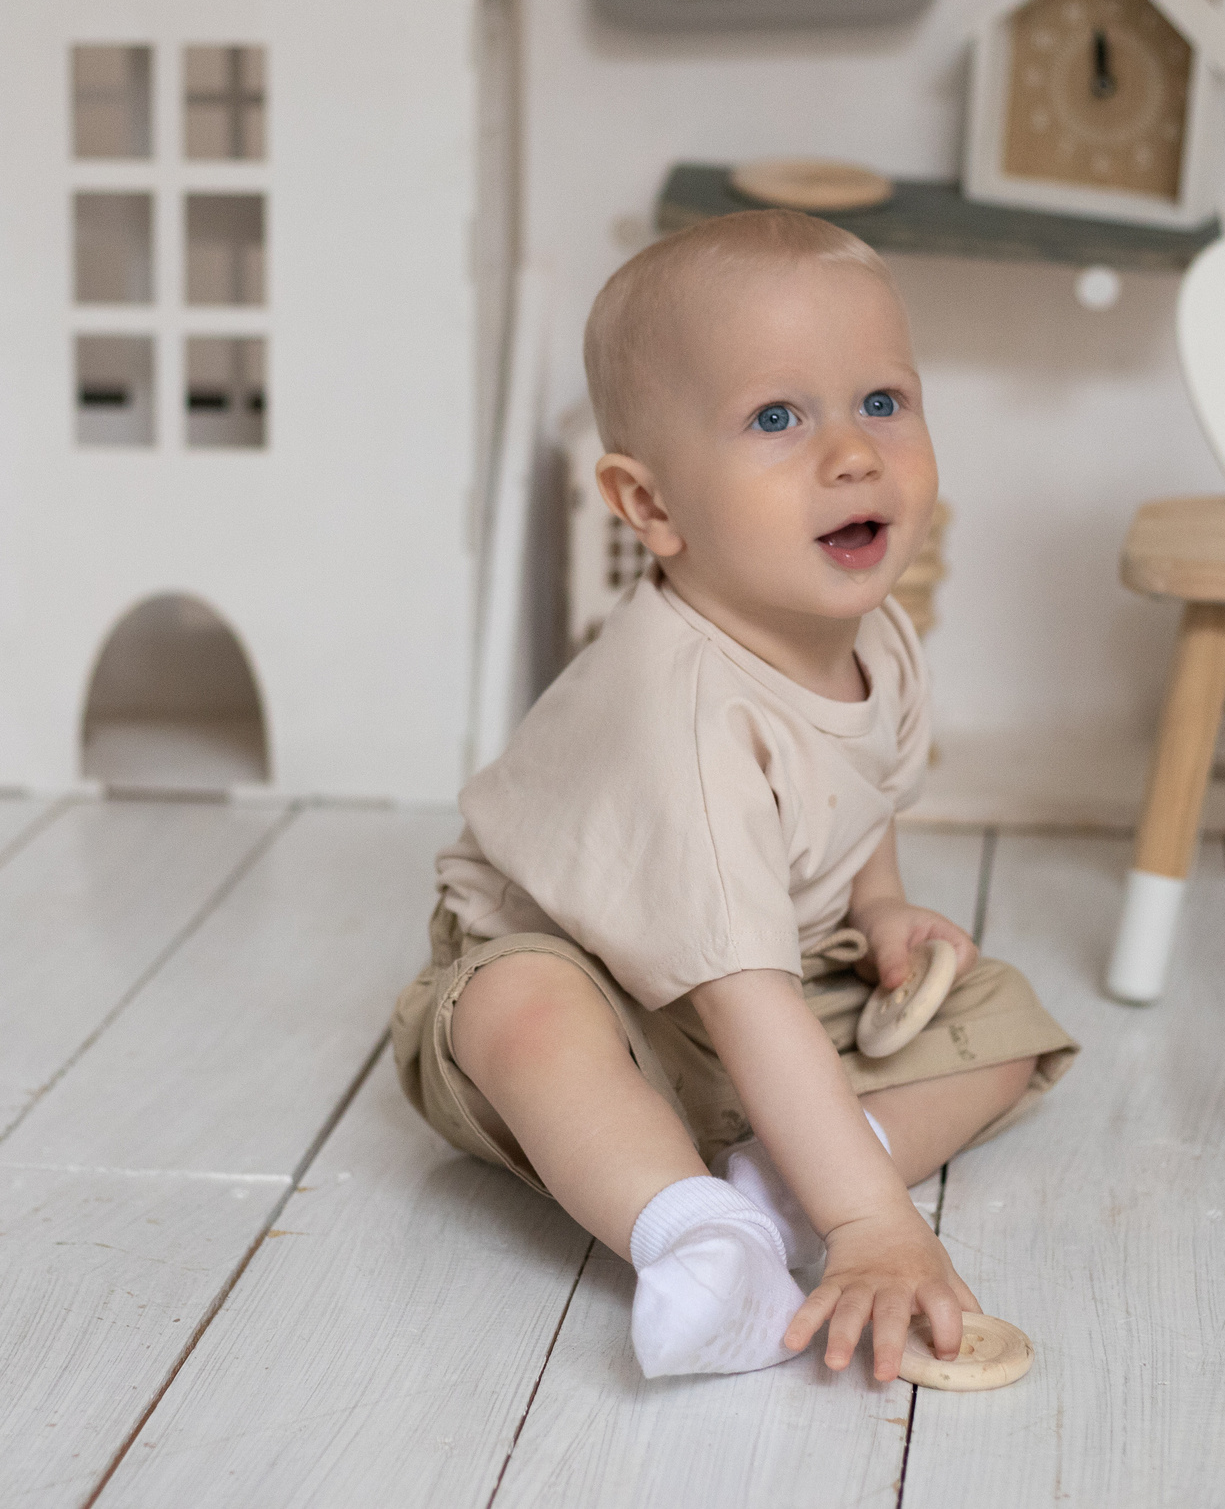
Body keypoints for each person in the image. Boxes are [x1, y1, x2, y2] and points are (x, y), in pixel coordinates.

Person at [392, 209, 1076, 1383]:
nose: (853, 453)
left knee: (997, 1024)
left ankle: (775, 1187)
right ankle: (695, 1236)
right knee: (519, 1014)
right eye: (776, 417)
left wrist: (885, 905)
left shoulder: (869, 629)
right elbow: (742, 995)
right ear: (652, 508)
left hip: (764, 969)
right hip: (594, 982)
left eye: (881, 401)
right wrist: (879, 1226)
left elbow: (860, 789)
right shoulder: (688, 714)